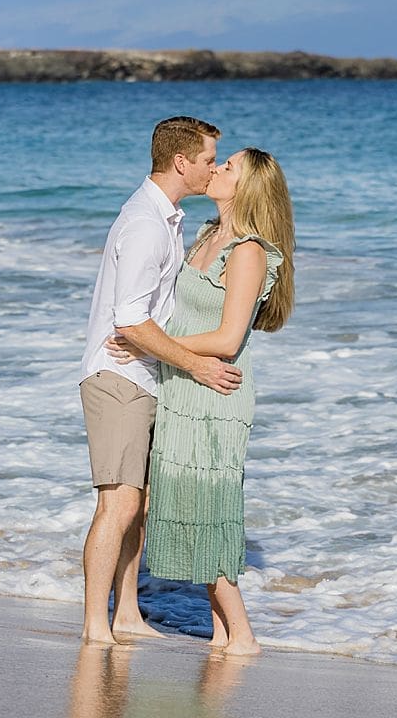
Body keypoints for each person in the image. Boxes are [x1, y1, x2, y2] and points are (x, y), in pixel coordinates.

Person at [109, 147, 295, 655]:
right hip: (182, 387)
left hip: (216, 389)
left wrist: (145, 340)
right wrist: (155, 344)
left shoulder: (249, 252)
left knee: (208, 507)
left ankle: (245, 637)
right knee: (185, 503)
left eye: (227, 167)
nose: (216, 170)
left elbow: (228, 338)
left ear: (248, 187)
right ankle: (221, 634)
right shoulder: (208, 236)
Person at [79, 116, 244, 646]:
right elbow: (129, 320)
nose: (211, 168)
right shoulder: (146, 224)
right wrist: (196, 364)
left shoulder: (166, 219)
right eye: (206, 160)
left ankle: (127, 613)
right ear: (180, 162)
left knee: (140, 504)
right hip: (120, 377)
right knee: (118, 504)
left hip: (147, 376)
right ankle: (94, 626)